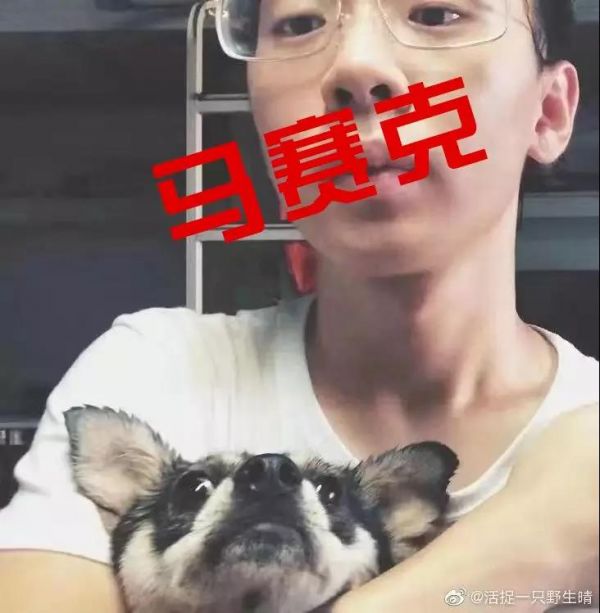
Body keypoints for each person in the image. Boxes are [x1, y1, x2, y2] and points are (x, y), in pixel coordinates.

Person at [0, 1, 597, 611]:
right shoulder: (156, 373)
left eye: (436, 14)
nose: (356, 65)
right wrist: (532, 547)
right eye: (301, 24)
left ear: (549, 112)